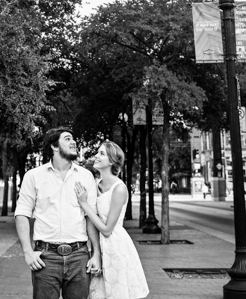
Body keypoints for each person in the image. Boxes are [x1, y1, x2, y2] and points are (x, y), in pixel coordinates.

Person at [15, 128, 102, 299]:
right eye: (68, 139)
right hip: (46, 257)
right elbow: (22, 214)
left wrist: (96, 253)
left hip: (79, 257)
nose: (74, 142)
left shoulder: (86, 176)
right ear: (54, 146)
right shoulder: (33, 176)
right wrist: (27, 252)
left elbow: (90, 217)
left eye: (73, 139)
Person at [74, 142, 149, 299]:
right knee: (97, 293)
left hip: (115, 245)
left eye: (101, 154)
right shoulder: (95, 185)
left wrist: (84, 203)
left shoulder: (119, 188)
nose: (96, 156)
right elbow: (91, 218)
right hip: (98, 243)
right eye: (98, 152)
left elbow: (108, 230)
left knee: (115, 292)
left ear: (111, 161)